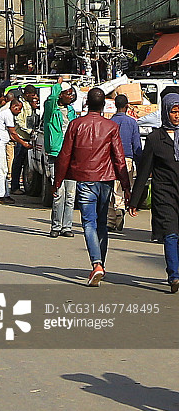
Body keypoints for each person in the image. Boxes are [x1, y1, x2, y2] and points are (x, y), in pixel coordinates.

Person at [54, 88, 130, 287]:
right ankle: (100, 265)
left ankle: (96, 264)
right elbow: (119, 158)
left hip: (85, 179)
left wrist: (57, 181)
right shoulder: (111, 127)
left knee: (89, 223)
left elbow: (64, 155)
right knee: (101, 223)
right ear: (104, 105)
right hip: (105, 180)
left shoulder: (76, 125)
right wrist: (126, 185)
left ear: (86, 103)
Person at [129, 93, 179, 293]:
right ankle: (174, 275)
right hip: (164, 194)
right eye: (173, 112)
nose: (177, 116)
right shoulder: (154, 138)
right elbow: (144, 172)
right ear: (166, 112)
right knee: (171, 234)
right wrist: (134, 200)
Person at [44, 78, 77, 237]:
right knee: (59, 193)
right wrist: (57, 85)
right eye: (67, 93)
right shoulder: (51, 110)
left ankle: (67, 227)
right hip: (56, 155)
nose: (71, 96)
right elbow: (50, 99)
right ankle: (56, 226)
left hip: (71, 155)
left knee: (71, 194)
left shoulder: (71, 111)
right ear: (60, 95)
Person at [107, 94, 141, 232]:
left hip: (111, 159)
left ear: (115, 105)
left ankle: (110, 220)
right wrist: (140, 164)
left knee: (111, 189)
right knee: (123, 187)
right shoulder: (132, 123)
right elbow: (137, 145)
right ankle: (120, 208)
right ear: (127, 106)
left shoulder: (110, 122)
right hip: (127, 159)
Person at [0, 99, 31, 204]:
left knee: (4, 170)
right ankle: (0, 195)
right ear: (13, 106)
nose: (19, 111)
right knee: (0, 170)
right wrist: (24, 143)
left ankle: (5, 194)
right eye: (19, 109)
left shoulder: (8, 114)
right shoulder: (7, 114)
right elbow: (13, 133)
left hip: (1, 143)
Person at [10, 85, 38, 195]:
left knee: (28, 164)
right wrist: (29, 131)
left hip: (29, 138)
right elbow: (19, 122)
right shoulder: (20, 104)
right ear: (27, 95)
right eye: (32, 95)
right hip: (21, 138)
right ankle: (14, 186)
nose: (34, 97)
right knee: (18, 163)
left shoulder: (30, 104)